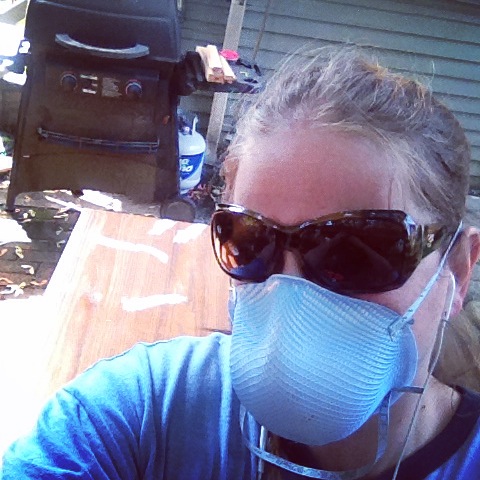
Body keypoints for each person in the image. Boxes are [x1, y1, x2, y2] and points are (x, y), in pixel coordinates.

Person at [2, 46, 480, 480]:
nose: (290, 291)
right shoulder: (145, 410)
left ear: (457, 271)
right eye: (251, 242)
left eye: (356, 251)